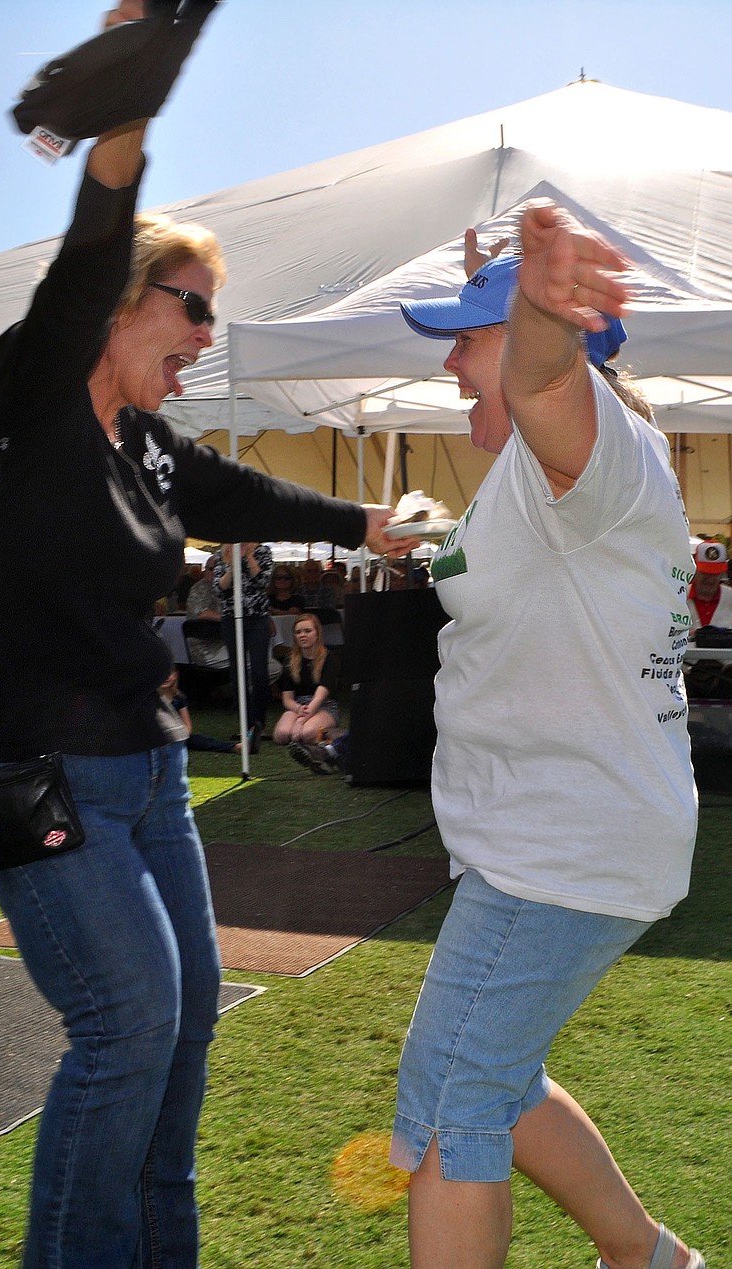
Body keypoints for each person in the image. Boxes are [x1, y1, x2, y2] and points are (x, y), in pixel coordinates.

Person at [0, 7, 419, 1266]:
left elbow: (242, 497)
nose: (205, 339)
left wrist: (369, 518)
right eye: (191, 310)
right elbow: (94, 226)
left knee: (185, 1024)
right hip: (36, 771)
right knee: (128, 1026)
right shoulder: (37, 393)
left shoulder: (142, 441)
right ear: (125, 300)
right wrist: (144, 61)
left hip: (145, 777)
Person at [392, 204, 703, 1269]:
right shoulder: (549, 478)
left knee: (451, 1107)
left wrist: (531, 313)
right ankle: (648, 1259)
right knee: (499, 1077)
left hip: (560, 848)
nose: (452, 366)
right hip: (557, 836)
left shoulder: (592, 449)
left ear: (560, 336)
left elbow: (535, 382)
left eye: (464, 340)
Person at [212, 541, 273, 746]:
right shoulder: (222, 553)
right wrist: (231, 565)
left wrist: (248, 557)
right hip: (232, 618)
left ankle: (258, 723)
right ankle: (245, 725)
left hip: (257, 618)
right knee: (237, 673)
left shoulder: (263, 551)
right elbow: (220, 590)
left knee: (259, 672)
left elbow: (263, 581)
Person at [273, 612, 340, 746]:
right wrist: (297, 708)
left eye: (307, 631)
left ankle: (329, 732)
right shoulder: (290, 661)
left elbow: (319, 697)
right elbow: (287, 698)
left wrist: (300, 721)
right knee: (282, 735)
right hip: (299, 705)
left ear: (317, 633)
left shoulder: (329, 658)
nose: (302, 635)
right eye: (298, 632)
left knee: (307, 734)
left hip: (323, 705)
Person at [686, 539, 732, 635]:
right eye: (705, 573)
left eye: (715, 573)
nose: (710, 579)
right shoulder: (679, 596)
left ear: (722, 574)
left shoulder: (730, 597)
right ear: (694, 569)